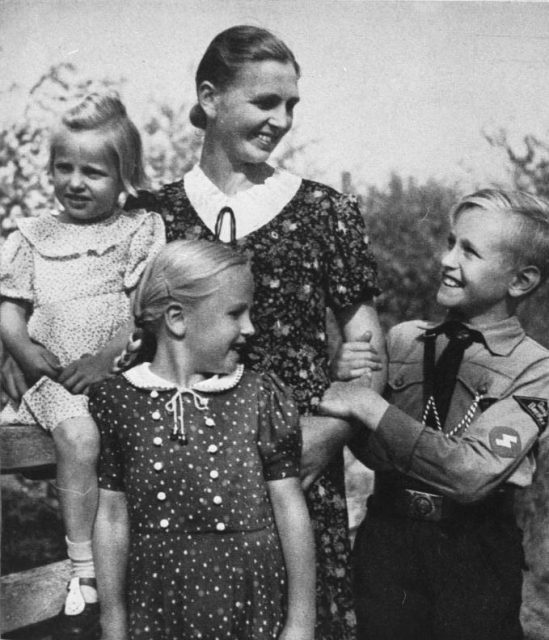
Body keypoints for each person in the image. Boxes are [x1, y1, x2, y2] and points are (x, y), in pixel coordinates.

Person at [126, 25, 385, 639]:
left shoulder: (326, 211)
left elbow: (364, 346)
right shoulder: (150, 215)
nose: (282, 119)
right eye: (265, 102)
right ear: (210, 98)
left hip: (296, 475)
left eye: (291, 104)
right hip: (176, 475)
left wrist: (332, 432)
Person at [321, 188, 549, 640]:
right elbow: (370, 450)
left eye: (470, 251)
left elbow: (472, 473)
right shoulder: (405, 339)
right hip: (385, 543)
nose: (447, 260)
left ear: (520, 281)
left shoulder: (534, 368)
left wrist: (371, 406)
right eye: (450, 242)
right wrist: (345, 381)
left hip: (472, 554)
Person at [90, 239, 316, 640]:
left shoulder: (258, 396)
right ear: (177, 318)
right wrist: (113, 621)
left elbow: (289, 506)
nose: (250, 328)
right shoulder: (118, 401)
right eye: (236, 313)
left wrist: (300, 622)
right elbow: (111, 515)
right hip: (157, 601)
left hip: (248, 599)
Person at [0, 92, 165, 640]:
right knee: (77, 438)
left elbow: (139, 315)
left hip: (111, 373)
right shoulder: (32, 236)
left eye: (92, 171)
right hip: (52, 379)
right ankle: (82, 567)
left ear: (124, 176)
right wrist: (26, 353)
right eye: (63, 167)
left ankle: (139, 559)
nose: (75, 181)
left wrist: (105, 359)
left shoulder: (139, 230)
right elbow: (8, 312)